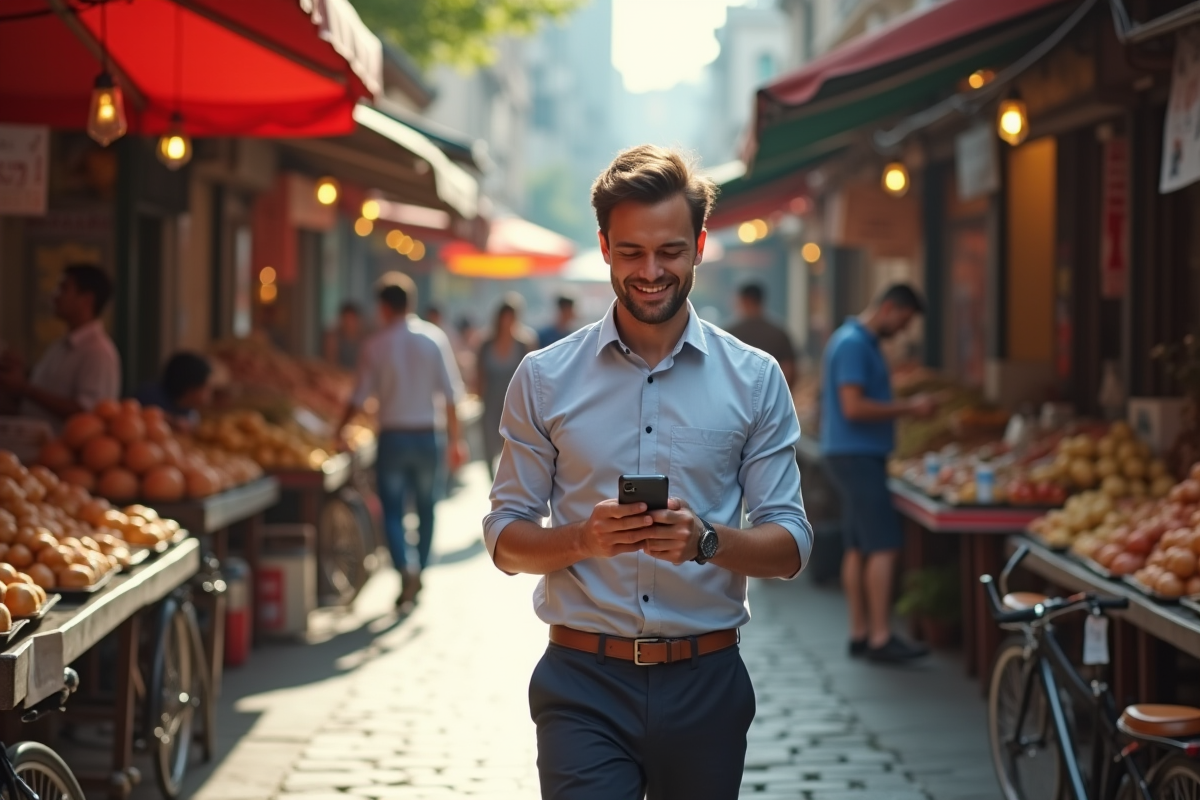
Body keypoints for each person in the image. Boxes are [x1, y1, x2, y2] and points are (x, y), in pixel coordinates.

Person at [484, 145, 812, 800]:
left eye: (669, 251)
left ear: (698, 246)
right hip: (582, 680)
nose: (651, 271)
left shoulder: (754, 378)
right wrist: (582, 539)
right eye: (631, 252)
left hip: (706, 683)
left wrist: (707, 541)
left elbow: (791, 546)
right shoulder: (544, 378)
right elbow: (504, 538)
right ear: (604, 247)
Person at [819, 283, 936, 664]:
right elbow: (852, 407)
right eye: (902, 321)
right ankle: (881, 636)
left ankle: (860, 632)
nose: (902, 331)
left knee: (858, 545)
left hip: (848, 454)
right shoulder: (855, 344)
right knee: (883, 544)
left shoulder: (852, 340)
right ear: (888, 308)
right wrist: (908, 408)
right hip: (858, 455)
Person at [338, 274, 467, 608]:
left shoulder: (376, 344)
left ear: (383, 307)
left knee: (393, 511)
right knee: (427, 509)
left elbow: (358, 396)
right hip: (428, 436)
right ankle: (419, 569)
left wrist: (340, 429)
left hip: (393, 437)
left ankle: (405, 568)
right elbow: (452, 397)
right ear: (410, 302)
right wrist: (456, 441)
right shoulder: (433, 338)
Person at [0, 264, 121, 427]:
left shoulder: (98, 352)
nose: (55, 295)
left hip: (63, 451)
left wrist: (25, 388)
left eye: (63, 288)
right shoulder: (61, 344)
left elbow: (88, 412)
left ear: (87, 299)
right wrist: (21, 373)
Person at [476, 295, 536, 478]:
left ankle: (508, 483)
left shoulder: (524, 344)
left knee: (512, 448)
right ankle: (493, 483)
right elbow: (479, 375)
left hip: (515, 405)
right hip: (491, 401)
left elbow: (532, 377)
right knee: (489, 448)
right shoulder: (486, 344)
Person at [727, 282, 798, 388]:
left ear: (744, 300)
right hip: (771, 394)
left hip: (738, 395)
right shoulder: (779, 333)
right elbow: (790, 370)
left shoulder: (729, 333)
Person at [135, 352, 213, 430]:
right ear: (190, 388)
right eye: (206, 387)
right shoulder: (149, 397)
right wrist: (172, 421)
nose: (210, 392)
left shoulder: (191, 413)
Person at [323, 302, 366, 371]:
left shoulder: (364, 340)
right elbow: (330, 364)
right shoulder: (334, 338)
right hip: (339, 376)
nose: (349, 324)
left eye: (352, 320)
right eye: (346, 320)